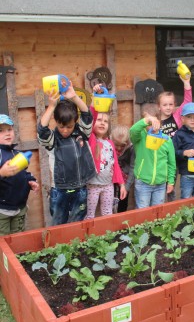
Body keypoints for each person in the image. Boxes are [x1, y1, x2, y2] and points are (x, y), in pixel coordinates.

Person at [37, 82, 96, 225]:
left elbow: (87, 116)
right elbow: (42, 130)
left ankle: (75, 246)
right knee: (58, 222)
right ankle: (57, 247)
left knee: (78, 221)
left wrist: (74, 97)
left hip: (80, 187)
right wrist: (51, 106)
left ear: (75, 122)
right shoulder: (52, 139)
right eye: (61, 126)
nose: (65, 130)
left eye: (69, 126)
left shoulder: (82, 133)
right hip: (60, 189)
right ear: (56, 122)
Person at [85, 90, 126, 218]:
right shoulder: (91, 139)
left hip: (108, 185)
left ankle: (107, 236)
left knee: (108, 213)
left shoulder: (110, 143)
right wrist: (94, 100)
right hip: (92, 185)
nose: (102, 123)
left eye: (106, 121)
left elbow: (116, 166)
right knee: (89, 214)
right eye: (99, 120)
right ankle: (89, 237)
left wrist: (122, 184)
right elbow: (89, 119)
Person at [130, 103, 176, 208]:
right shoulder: (140, 137)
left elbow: (171, 163)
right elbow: (132, 131)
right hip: (143, 183)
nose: (151, 126)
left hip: (160, 184)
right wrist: (147, 120)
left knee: (157, 213)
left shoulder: (166, 139)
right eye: (148, 123)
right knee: (142, 213)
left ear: (160, 121)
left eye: (154, 122)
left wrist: (171, 182)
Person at [0, 114, 39, 235]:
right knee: (3, 242)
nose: (7, 133)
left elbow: (23, 173)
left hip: (19, 207)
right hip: (2, 210)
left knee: (18, 239)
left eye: (9, 129)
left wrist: (31, 181)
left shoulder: (17, 153)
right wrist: (1, 173)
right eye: (1, 131)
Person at [158, 74, 192, 201]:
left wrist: (186, 83)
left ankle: (171, 210)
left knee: (170, 188)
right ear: (159, 106)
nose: (168, 107)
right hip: (161, 161)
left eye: (170, 104)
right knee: (161, 189)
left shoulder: (176, 117)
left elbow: (187, 102)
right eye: (165, 105)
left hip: (174, 160)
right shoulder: (156, 122)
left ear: (174, 105)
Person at [110, 125, 135, 213]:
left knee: (123, 202)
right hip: (111, 179)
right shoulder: (108, 145)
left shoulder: (131, 148)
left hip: (125, 179)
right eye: (117, 145)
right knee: (110, 202)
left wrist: (127, 187)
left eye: (122, 146)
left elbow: (132, 167)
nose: (119, 148)